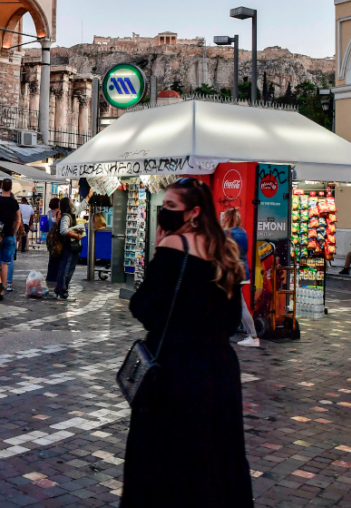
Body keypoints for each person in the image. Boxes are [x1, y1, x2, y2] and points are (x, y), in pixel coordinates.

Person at [121, 178, 252, 507]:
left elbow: (145, 309)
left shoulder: (172, 248)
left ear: (193, 212)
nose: (164, 213)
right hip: (219, 373)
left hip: (176, 371)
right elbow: (231, 318)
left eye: (170, 207)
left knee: (165, 465)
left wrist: (158, 251)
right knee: (216, 460)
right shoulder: (224, 250)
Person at [221, 207, 258, 348]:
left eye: (224, 216)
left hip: (231, 273)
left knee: (237, 304)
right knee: (238, 304)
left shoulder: (227, 233)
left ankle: (253, 336)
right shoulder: (243, 233)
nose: (222, 218)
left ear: (228, 218)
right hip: (243, 272)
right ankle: (252, 335)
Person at [0, 178, 22, 295]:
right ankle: (3, 288)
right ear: (11, 188)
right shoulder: (14, 202)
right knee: (5, 262)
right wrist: (14, 231)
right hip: (9, 234)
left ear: (1, 187)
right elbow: (18, 219)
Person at [54, 197, 84, 300]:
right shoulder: (66, 217)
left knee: (69, 268)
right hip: (69, 246)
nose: (72, 204)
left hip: (73, 247)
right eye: (71, 202)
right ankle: (62, 289)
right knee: (66, 268)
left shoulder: (71, 215)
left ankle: (62, 289)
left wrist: (89, 196)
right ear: (67, 205)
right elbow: (63, 231)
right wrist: (76, 236)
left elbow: (80, 207)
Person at [45, 197, 61, 284]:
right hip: (56, 237)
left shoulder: (49, 213)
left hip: (50, 237)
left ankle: (50, 276)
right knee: (57, 256)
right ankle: (56, 276)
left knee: (51, 256)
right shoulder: (58, 213)